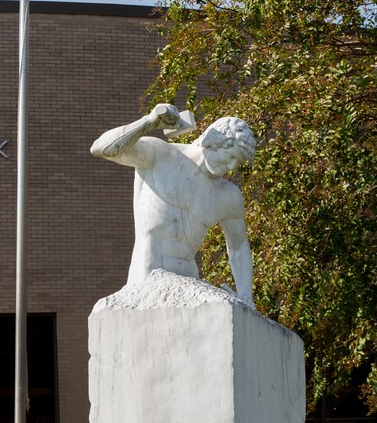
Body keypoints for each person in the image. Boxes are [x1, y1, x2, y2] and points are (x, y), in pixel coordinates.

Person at [90, 104, 256, 304]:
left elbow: (238, 246)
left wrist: (246, 297)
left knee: (227, 306)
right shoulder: (161, 156)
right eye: (230, 157)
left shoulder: (227, 195)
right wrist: (149, 122)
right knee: (220, 304)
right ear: (214, 142)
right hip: (148, 277)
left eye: (236, 163)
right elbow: (102, 148)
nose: (231, 167)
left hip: (189, 281)